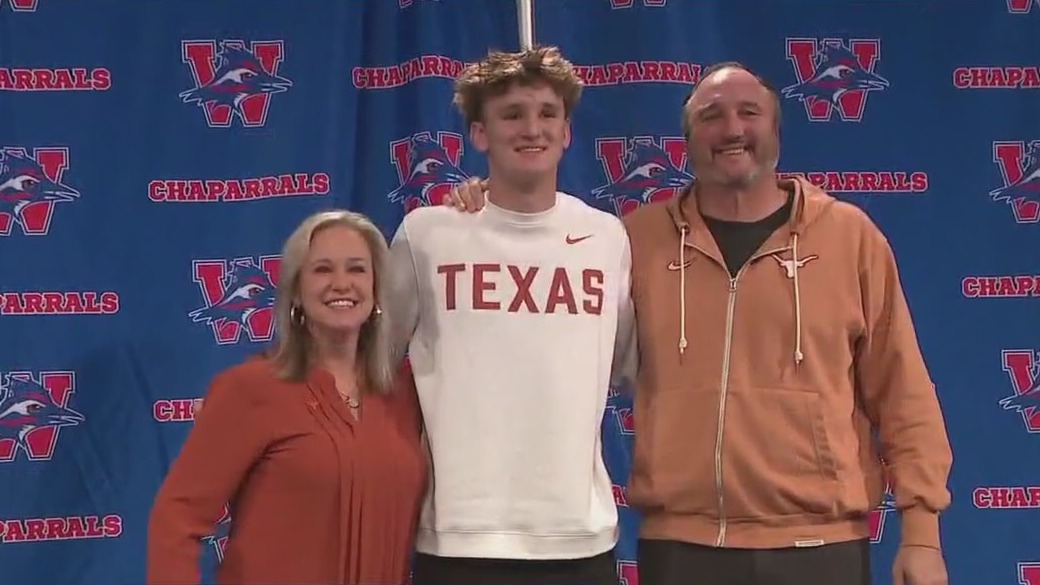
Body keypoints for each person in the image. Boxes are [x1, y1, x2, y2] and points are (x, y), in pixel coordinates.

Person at [444, 62, 953, 585]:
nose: (732, 129)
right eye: (712, 116)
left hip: (820, 545)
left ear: (775, 130)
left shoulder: (850, 239)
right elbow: (536, 280)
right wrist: (487, 204)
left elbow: (903, 392)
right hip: (681, 550)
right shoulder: (631, 241)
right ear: (687, 141)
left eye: (748, 113)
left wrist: (921, 534)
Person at [384, 45, 636, 585]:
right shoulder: (429, 233)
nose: (532, 128)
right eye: (512, 114)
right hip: (460, 537)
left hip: (579, 537)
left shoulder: (606, 237)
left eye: (548, 114)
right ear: (480, 134)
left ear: (567, 132)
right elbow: (373, 364)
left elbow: (625, 367)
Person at [147, 210, 427, 585]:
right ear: (296, 290)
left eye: (357, 269)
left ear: (378, 289)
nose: (341, 283)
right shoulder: (251, 389)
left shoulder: (404, 394)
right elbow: (178, 517)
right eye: (322, 270)